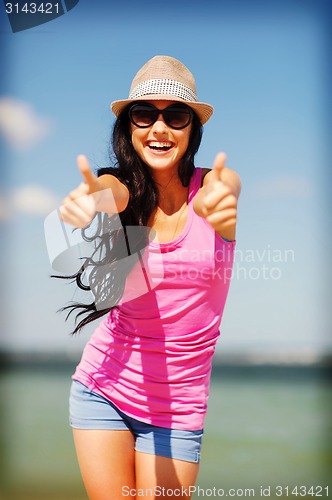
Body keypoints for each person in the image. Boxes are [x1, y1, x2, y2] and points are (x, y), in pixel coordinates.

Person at [59, 55, 241, 500]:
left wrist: (218, 204)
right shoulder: (120, 189)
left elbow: (222, 192)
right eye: (145, 114)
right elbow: (109, 193)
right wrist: (90, 200)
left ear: (191, 130)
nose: (160, 128)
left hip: (178, 408)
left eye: (175, 116)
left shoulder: (215, 186)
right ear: (129, 127)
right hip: (103, 388)